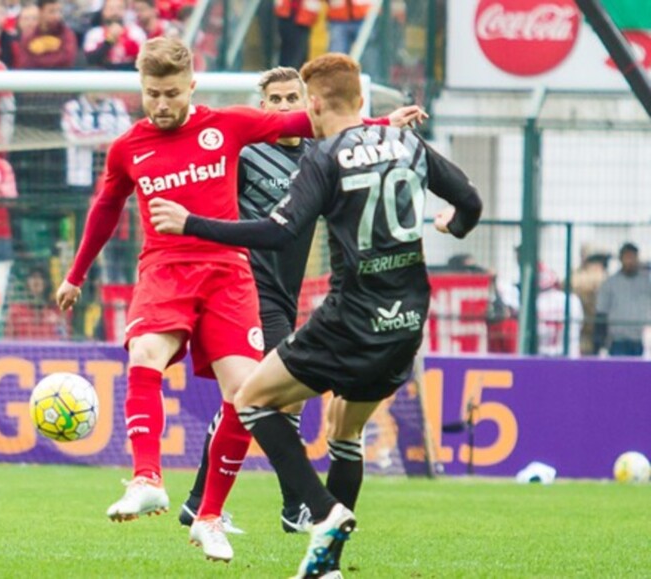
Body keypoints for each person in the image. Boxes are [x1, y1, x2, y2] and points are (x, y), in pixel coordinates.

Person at [55, 38, 423, 562]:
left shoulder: (225, 126)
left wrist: (384, 126)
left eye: (171, 94)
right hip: (164, 270)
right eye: (152, 93)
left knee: (245, 394)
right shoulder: (127, 148)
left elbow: (306, 126)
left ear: (192, 87)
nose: (161, 105)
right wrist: (75, 275)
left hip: (228, 275)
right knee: (144, 355)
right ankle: (146, 477)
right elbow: (105, 209)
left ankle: (208, 517)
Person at [150, 53, 481, 576]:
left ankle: (321, 512)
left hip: (349, 318)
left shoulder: (324, 157)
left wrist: (193, 223)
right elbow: (470, 200)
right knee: (344, 434)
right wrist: (451, 226)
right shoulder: (408, 144)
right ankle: (327, 565)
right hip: (408, 321)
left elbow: (279, 230)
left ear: (317, 103)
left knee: (253, 398)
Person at [594, 242, 651, 357]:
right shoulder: (610, 283)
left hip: (641, 339)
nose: (630, 261)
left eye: (632, 257)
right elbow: (601, 311)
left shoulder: (646, 281)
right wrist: (600, 341)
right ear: (621, 259)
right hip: (618, 339)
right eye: (627, 257)